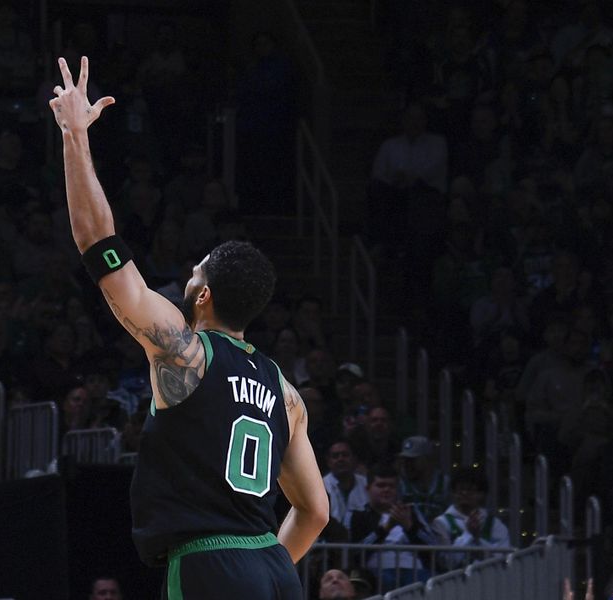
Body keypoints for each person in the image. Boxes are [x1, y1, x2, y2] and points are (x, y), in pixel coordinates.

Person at [49, 56, 328, 599]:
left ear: (203, 296)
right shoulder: (285, 391)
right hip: (273, 570)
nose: (187, 274)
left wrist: (75, 137)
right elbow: (315, 512)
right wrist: (263, 571)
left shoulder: (184, 350)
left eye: (194, 270)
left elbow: (98, 247)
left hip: (211, 562)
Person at [349, 465, 436, 592]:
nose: (387, 490)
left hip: (415, 569)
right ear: (368, 489)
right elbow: (356, 551)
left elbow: (432, 545)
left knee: (431, 582)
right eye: (381, 485)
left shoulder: (412, 512)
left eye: (391, 486)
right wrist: (385, 529)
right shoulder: (359, 515)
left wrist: (409, 526)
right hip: (377, 570)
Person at [431, 467, 511, 570]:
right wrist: (468, 535)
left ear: (482, 494)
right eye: (460, 490)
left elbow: (503, 561)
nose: (464, 493)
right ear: (453, 492)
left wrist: (478, 540)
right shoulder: (441, 523)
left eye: (470, 490)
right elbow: (446, 562)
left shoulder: (495, 524)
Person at [322, 441, 369, 541]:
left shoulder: (366, 484)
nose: (340, 459)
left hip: (361, 541)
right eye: (335, 456)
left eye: (345, 455)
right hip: (331, 544)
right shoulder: (321, 486)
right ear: (328, 461)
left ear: (354, 459)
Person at [396, 436, 450, 523]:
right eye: (405, 460)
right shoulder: (400, 483)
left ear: (427, 459)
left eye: (412, 460)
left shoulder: (444, 483)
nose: (407, 465)